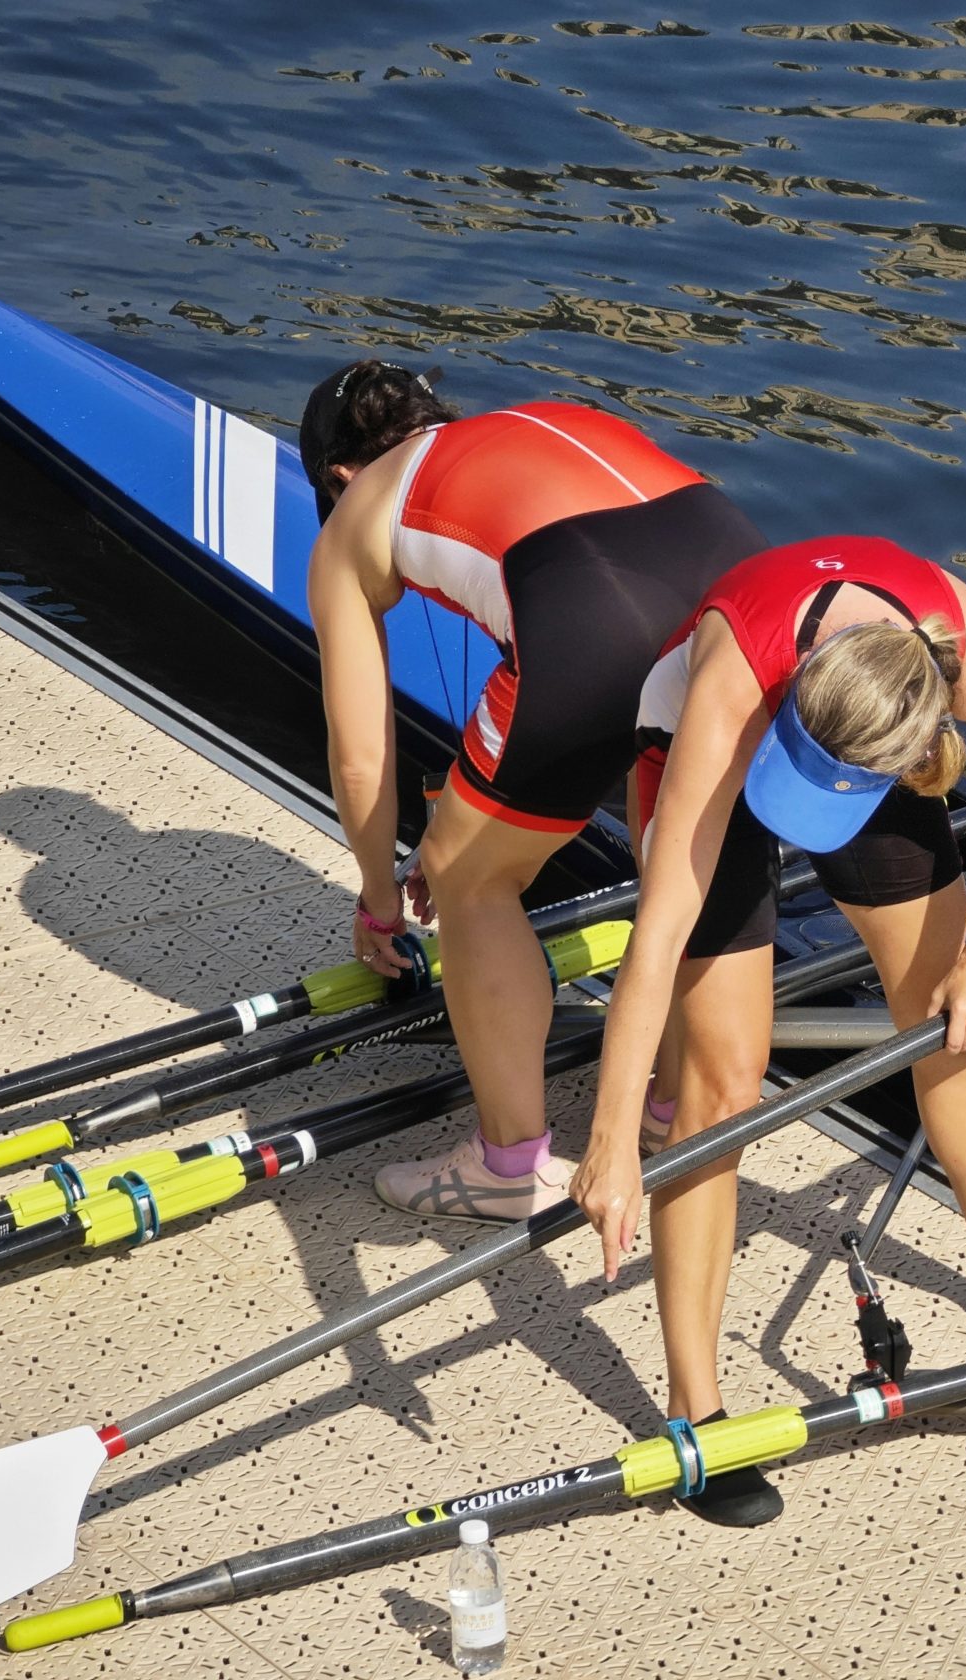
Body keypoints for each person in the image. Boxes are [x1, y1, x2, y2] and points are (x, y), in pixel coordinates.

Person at [572, 535, 966, 1527]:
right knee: (723, 1089)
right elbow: (654, 938)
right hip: (711, 755)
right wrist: (613, 1146)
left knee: (950, 1017)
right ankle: (694, 1416)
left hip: (862, 739)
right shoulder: (736, 679)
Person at [302, 362, 763, 1218]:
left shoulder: (356, 514)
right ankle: (671, 1110)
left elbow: (361, 760)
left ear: (340, 476)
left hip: (588, 608)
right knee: (678, 855)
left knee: (471, 878)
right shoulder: (543, 414)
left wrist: (379, 900)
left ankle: (508, 1166)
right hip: (744, 580)